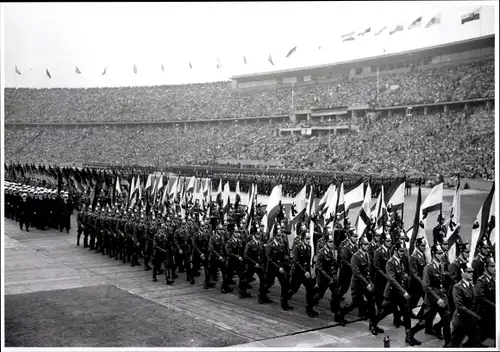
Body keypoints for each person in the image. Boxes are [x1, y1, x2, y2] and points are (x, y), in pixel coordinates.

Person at [337, 236, 384, 336]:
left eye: (367, 244)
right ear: (360, 245)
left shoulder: (366, 255)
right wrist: (367, 284)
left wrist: (370, 282)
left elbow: (367, 271)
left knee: (372, 303)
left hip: (365, 283)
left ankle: (373, 325)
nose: (367, 246)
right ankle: (342, 313)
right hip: (357, 284)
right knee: (355, 303)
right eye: (365, 244)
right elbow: (357, 273)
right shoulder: (355, 256)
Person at [378, 241, 421, 345]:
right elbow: (392, 280)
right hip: (393, 293)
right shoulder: (390, 263)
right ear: (395, 251)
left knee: (406, 313)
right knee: (385, 311)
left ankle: (409, 336)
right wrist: (403, 291)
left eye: (403, 251)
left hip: (401, 293)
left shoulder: (402, 260)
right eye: (401, 251)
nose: (403, 253)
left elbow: (405, 272)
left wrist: (406, 280)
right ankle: (374, 322)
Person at [450, 263, 482, 347]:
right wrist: (475, 316)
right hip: (461, 320)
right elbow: (460, 306)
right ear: (462, 273)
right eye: (468, 272)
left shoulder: (472, 285)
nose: (471, 274)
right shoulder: (457, 287)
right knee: (455, 344)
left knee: (475, 341)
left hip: (470, 320)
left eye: (471, 272)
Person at [474, 255, 495, 344]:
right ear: (486, 267)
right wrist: (494, 305)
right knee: (479, 336)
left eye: (495, 266)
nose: (495, 268)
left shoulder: (492, 279)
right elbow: (480, 298)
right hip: (484, 312)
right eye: (492, 266)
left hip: (491, 312)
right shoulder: (481, 281)